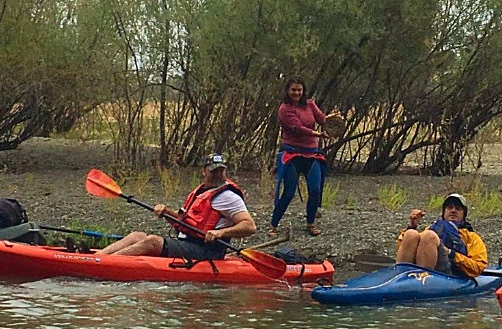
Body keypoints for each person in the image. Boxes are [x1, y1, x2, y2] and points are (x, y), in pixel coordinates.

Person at [97, 154, 256, 259]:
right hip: (188, 242)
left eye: (221, 171)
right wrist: (166, 212)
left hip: (207, 250)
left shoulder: (229, 197)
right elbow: (185, 223)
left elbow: (249, 226)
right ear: (203, 171)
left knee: (152, 241)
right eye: (214, 171)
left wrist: (220, 232)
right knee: (137, 235)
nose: (218, 175)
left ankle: (102, 263)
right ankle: (98, 257)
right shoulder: (202, 191)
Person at [268, 75, 340, 237]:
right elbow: (297, 128)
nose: (296, 93)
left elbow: (322, 119)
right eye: (293, 90)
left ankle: (310, 223)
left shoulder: (309, 104)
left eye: (299, 90)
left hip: (311, 154)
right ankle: (274, 224)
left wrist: (333, 120)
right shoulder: (284, 109)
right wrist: (318, 135)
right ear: (288, 91)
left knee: (315, 189)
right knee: (289, 191)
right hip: (292, 154)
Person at [395, 193, 488, 277]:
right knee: (411, 234)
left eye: (458, 209)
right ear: (444, 213)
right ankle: (399, 277)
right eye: (449, 208)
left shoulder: (471, 237)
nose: (453, 211)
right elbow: (402, 249)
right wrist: (412, 226)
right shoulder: (432, 228)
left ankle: (421, 279)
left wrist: (451, 253)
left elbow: (478, 266)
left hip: (451, 272)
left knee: (429, 236)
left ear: (464, 215)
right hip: (422, 266)